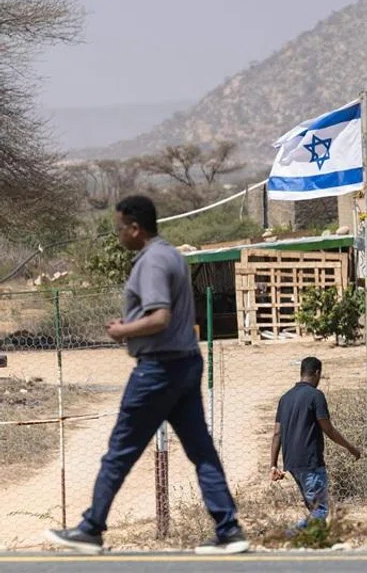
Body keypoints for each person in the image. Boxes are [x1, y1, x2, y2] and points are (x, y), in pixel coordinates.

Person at [46, 195, 249, 555]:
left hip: (158, 370)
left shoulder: (152, 263)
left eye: (120, 228)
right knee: (201, 450)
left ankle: (91, 528)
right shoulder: (171, 255)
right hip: (185, 363)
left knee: (119, 451)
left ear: (135, 228)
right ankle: (229, 529)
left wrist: (123, 331)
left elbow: (159, 317)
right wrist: (131, 324)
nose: (119, 235)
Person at [271, 356, 361, 530]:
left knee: (314, 509)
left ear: (301, 372)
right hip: (310, 462)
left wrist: (273, 465)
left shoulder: (285, 398)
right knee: (320, 511)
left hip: (292, 463)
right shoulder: (315, 395)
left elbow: (276, 433)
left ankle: (308, 546)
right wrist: (351, 448)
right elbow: (328, 429)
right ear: (318, 373)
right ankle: (289, 537)